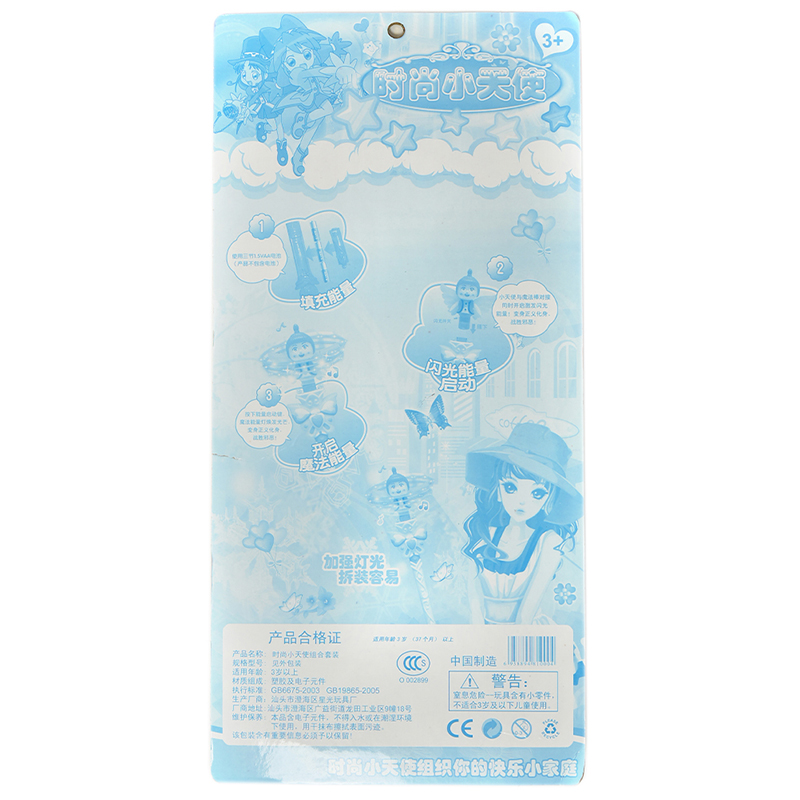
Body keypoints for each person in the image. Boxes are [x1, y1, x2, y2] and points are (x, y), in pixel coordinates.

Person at [463, 422, 583, 624]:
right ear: (498, 491)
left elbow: (526, 614)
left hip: (526, 631)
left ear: (549, 500)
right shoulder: (484, 534)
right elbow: (475, 605)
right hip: (483, 632)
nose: (521, 501)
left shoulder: (549, 542)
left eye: (537, 493)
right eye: (510, 487)